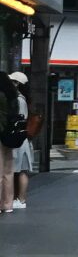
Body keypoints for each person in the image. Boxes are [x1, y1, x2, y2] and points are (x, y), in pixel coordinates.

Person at [9, 72, 32, 210]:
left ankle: (21, 200)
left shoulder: (19, 99)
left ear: (17, 83)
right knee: (20, 170)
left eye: (12, 81)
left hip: (19, 139)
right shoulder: (23, 98)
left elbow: (19, 118)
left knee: (21, 170)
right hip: (22, 138)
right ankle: (19, 199)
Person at [0, 71, 20, 215]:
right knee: (8, 171)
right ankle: (7, 204)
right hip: (10, 134)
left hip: (0, 134)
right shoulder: (13, 96)